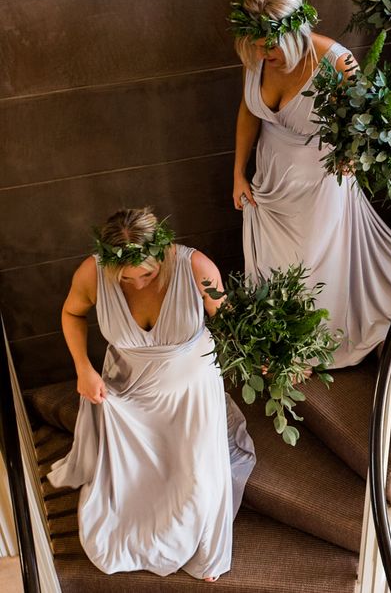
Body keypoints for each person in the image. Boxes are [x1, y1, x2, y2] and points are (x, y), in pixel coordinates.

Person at [231, 0, 391, 369]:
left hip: (319, 188)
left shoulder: (336, 62)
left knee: (310, 266)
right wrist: (238, 173)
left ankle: (308, 347)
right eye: (257, 44)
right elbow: (249, 111)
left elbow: (365, 126)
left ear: (297, 30)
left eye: (273, 44)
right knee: (271, 264)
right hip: (269, 183)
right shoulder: (259, 57)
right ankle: (280, 338)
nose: (265, 53)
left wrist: (353, 154)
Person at [48, 207, 256, 581]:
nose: (140, 283)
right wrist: (83, 367)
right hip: (129, 389)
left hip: (191, 392)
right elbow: (71, 314)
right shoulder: (91, 273)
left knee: (197, 478)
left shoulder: (196, 268)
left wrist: (264, 358)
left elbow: (231, 323)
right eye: (128, 277)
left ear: (162, 251)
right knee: (137, 480)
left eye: (149, 273)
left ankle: (206, 548)